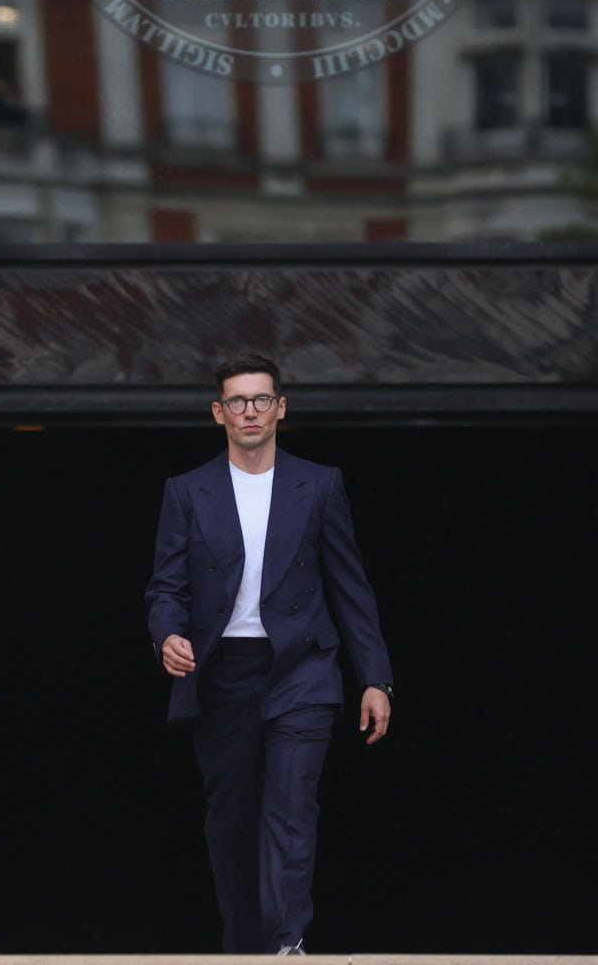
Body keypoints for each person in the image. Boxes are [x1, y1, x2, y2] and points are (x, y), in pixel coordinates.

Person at [145, 352, 393, 955]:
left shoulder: (320, 483)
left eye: (261, 399)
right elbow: (166, 587)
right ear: (218, 413)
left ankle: (287, 942)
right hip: (223, 672)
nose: (249, 410)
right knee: (230, 822)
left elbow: (349, 586)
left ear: (280, 408)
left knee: (291, 805)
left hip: (302, 668)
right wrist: (167, 635)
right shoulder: (187, 491)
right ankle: (246, 948)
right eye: (237, 400)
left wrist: (376, 679)